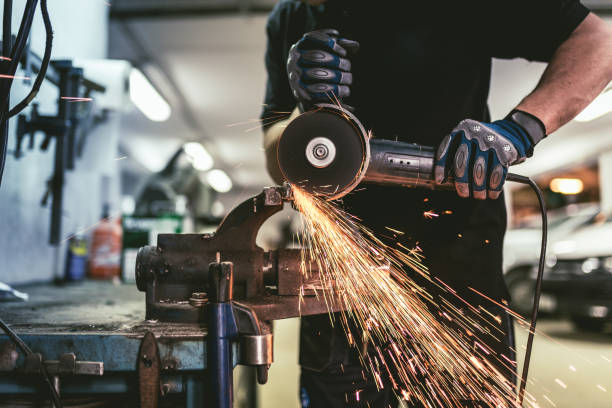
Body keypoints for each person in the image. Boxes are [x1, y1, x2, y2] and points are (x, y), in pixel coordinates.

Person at [260, 1, 612, 407]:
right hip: (340, 287)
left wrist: (518, 130)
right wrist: (303, 122)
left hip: (457, 279)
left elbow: (598, 43)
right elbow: (273, 155)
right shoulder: (288, 18)